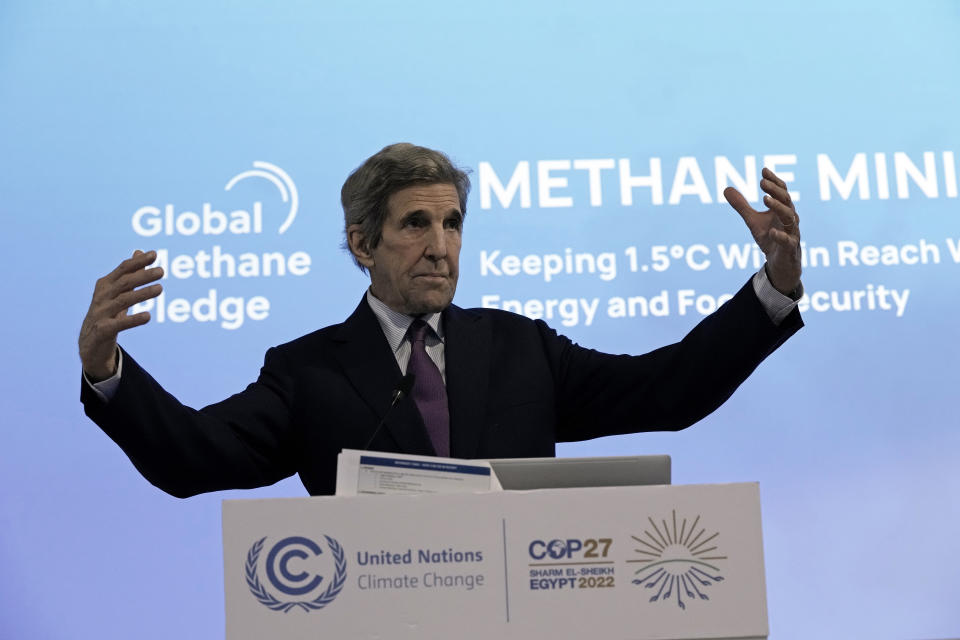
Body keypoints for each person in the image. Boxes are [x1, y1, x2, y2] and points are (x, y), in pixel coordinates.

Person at [79, 143, 803, 497]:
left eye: (453, 224)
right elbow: (195, 458)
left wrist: (773, 287)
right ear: (362, 244)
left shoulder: (520, 348)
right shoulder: (308, 372)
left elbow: (665, 391)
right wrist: (106, 370)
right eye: (416, 224)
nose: (440, 247)